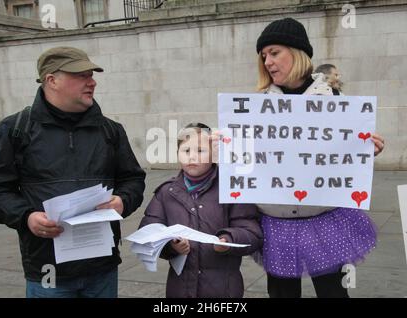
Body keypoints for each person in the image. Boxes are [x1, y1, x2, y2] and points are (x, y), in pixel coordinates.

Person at [212, 17, 385, 298]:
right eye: (264, 55)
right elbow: (247, 163)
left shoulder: (335, 99)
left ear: (297, 52)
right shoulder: (254, 106)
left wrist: (366, 149)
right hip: (276, 221)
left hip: (324, 219)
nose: (267, 61)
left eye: (274, 52)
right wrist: (226, 148)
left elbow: (341, 158)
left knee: (333, 293)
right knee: (281, 293)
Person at [0, 46, 146, 298]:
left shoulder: (111, 131)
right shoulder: (15, 130)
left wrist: (122, 202)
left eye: (91, 75)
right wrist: (26, 217)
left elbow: (133, 180)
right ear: (51, 80)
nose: (92, 82)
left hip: (102, 267)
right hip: (47, 269)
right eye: (82, 75)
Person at [139, 123, 263, 298]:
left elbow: (252, 231)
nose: (192, 157)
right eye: (186, 151)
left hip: (224, 289)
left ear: (214, 154)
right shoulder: (166, 192)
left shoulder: (232, 188)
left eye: (200, 151)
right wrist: (170, 246)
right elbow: (148, 231)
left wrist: (228, 240)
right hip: (180, 288)